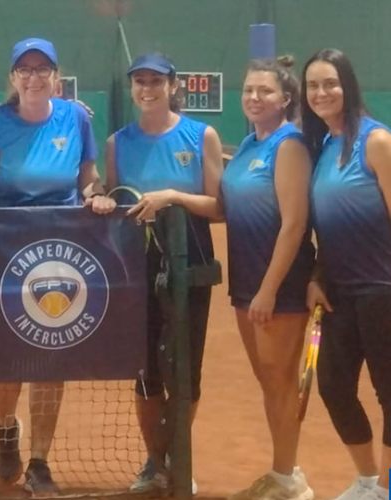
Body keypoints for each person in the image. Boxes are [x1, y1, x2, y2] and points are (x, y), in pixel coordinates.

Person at [0, 38, 113, 497]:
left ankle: (40, 461)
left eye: (42, 69)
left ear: (56, 75)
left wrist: (95, 195)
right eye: (24, 70)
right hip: (2, 251)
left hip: (60, 249)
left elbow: (88, 177)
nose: (34, 77)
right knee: (5, 359)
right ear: (13, 77)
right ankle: (6, 426)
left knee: (50, 354)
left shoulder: (76, 118)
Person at [103, 53, 223, 494]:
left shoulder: (202, 135)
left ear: (173, 86)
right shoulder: (117, 143)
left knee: (186, 372)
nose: (146, 88)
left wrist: (172, 196)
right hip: (136, 268)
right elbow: (112, 199)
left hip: (190, 263)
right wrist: (100, 199)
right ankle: (155, 462)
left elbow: (218, 206)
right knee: (147, 372)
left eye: (155, 80)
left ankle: (177, 456)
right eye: (139, 81)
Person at [220, 56, 315, 500]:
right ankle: (283, 472)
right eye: (248, 90)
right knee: (269, 381)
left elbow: (294, 224)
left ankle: (289, 479)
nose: (254, 97)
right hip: (246, 282)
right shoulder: (247, 144)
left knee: (280, 381)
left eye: (265, 91)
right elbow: (228, 206)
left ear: (286, 98)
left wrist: (269, 289)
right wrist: (175, 195)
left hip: (278, 286)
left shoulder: (289, 144)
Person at [303, 48, 391, 500]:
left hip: (383, 289)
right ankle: (369, 481)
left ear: (348, 86)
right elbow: (326, 227)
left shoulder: (377, 141)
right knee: (334, 387)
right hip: (337, 293)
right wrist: (317, 276)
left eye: (330, 83)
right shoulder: (321, 147)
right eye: (313, 85)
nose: (321, 92)